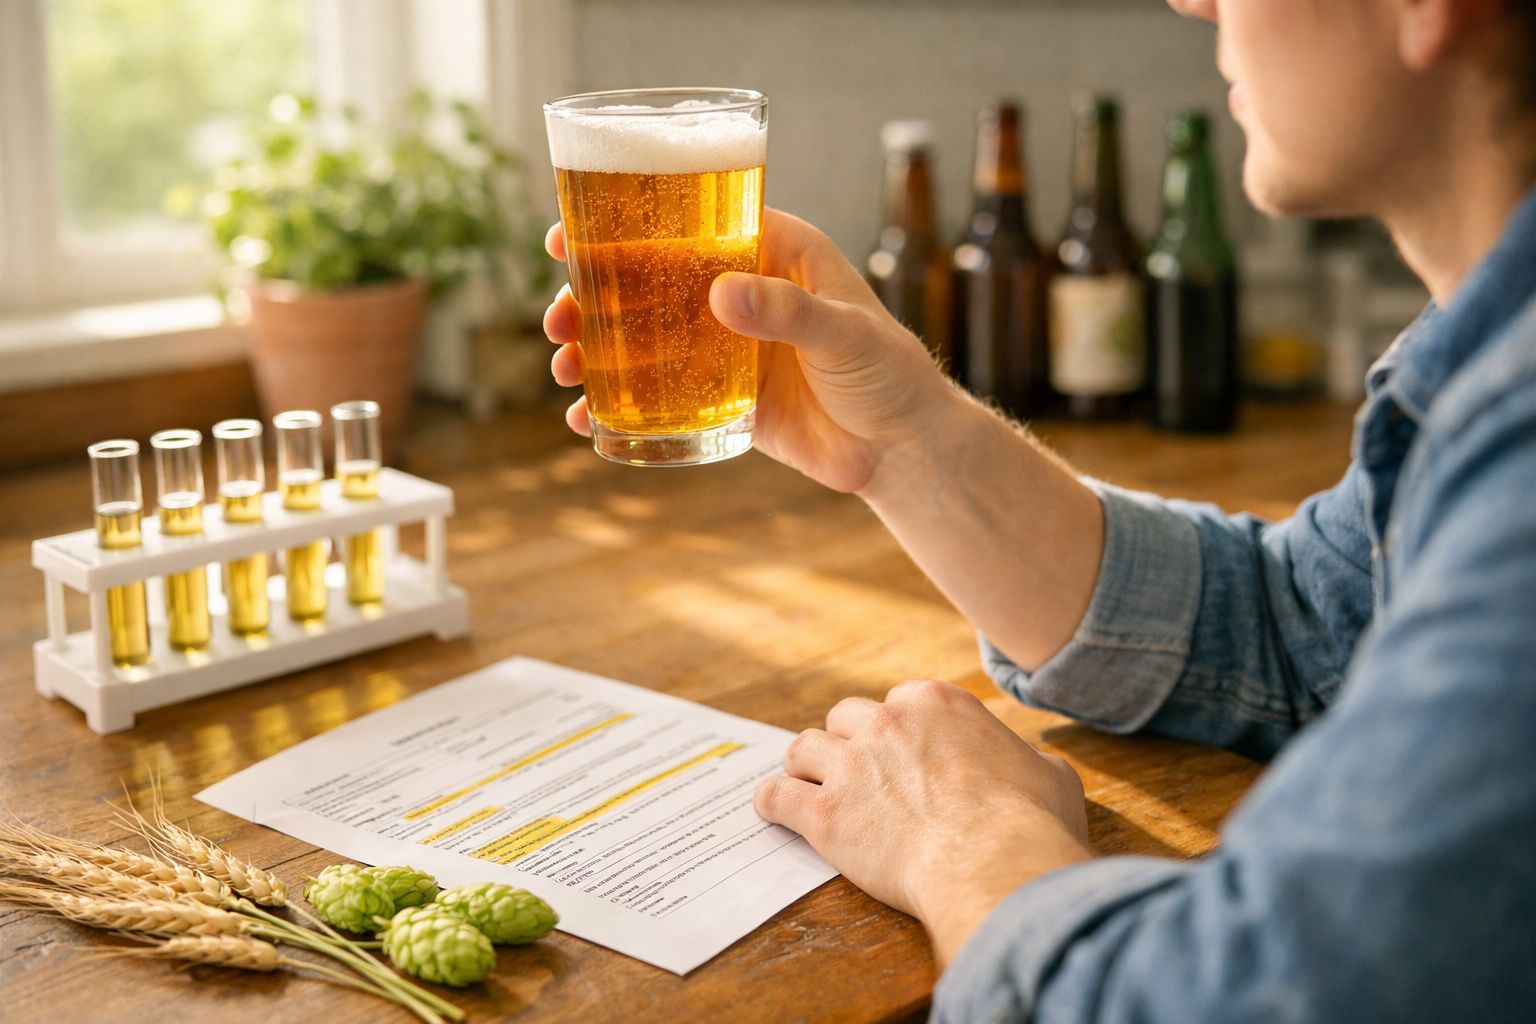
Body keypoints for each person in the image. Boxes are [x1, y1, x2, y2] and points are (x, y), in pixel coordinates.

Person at [542, 0, 1536, 1017]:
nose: (1191, 2)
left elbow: (1234, 1000)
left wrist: (972, 840)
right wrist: (906, 446)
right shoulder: (1478, 354)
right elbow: (1301, 629)